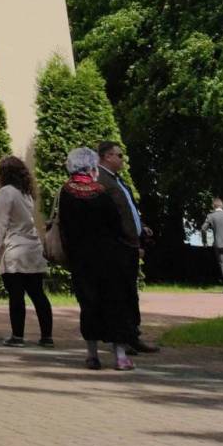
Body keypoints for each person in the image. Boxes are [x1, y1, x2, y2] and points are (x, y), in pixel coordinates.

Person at [59, 146, 138, 371]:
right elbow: (116, 224)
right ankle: (120, 357)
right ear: (91, 166)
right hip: (109, 257)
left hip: (81, 259)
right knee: (115, 303)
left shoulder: (66, 192)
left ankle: (92, 355)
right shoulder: (101, 191)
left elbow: (64, 227)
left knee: (88, 305)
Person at [95, 141, 159, 354]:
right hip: (117, 247)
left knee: (130, 293)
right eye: (119, 155)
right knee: (120, 294)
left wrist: (141, 227)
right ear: (107, 157)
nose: (123, 159)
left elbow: (128, 210)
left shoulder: (116, 180)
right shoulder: (101, 180)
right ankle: (122, 339)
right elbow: (108, 217)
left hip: (130, 245)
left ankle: (132, 335)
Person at [0, 155, 53, 347]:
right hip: (32, 247)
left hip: (14, 248)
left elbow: (1, 223)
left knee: (16, 295)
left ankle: (17, 336)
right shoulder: (26, 193)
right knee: (38, 294)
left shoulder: (6, 192)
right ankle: (47, 337)